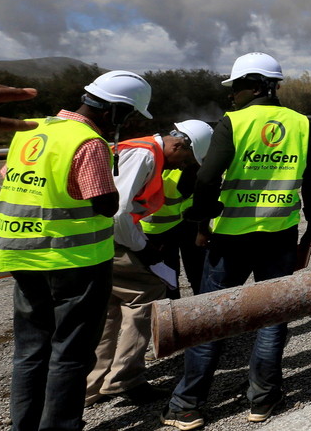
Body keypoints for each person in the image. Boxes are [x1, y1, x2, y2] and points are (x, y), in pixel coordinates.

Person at [161, 53, 311, 430]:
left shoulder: (232, 122)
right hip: (281, 235)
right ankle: (263, 400)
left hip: (231, 237)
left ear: (255, 85)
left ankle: (187, 405)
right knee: (273, 316)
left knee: (211, 318)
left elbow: (206, 179)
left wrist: (201, 224)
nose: (232, 95)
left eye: (235, 87)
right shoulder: (302, 123)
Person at [0, 70, 152, 431]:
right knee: (70, 352)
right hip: (75, 262)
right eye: (126, 115)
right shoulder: (89, 142)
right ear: (114, 110)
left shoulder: (32, 129)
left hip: (22, 255)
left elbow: (8, 175)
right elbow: (105, 204)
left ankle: (25, 425)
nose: (124, 123)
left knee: (30, 350)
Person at [85, 119, 213, 407]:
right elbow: (119, 214)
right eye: (187, 159)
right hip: (116, 239)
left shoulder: (141, 151)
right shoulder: (144, 155)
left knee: (109, 307)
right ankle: (123, 379)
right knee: (148, 294)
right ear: (179, 144)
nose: (183, 166)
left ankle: (91, 384)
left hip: (101, 240)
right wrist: (144, 249)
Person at [141, 122, 214, 300]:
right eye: (189, 158)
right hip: (156, 232)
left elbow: (204, 198)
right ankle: (174, 318)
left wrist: (202, 230)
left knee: (198, 272)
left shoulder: (195, 164)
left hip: (188, 225)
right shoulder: (154, 162)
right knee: (167, 278)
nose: (185, 164)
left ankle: (203, 313)